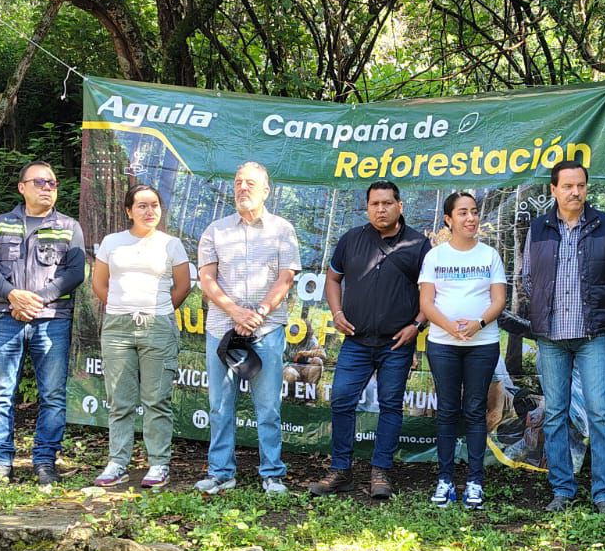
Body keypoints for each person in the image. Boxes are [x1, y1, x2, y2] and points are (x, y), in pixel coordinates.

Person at [308, 181, 429, 500]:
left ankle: (381, 471)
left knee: (390, 405)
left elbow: (432, 293)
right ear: (367, 207)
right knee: (342, 400)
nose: (381, 209)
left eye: (387, 203)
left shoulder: (418, 245)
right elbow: (334, 279)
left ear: (399, 206)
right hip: (357, 341)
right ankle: (341, 470)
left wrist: (417, 325)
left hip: (397, 344)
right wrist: (335, 313)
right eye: (375, 204)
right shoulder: (351, 240)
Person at [520, 160, 605, 515]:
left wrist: (596, 311)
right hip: (551, 336)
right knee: (554, 413)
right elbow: (527, 279)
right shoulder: (539, 228)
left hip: (592, 334)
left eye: (580, 185)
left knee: (599, 412)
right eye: (567, 186)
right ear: (553, 190)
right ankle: (562, 490)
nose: (575, 192)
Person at [0, 160, 86, 489]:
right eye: (40, 182)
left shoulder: (69, 226)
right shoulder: (2, 223)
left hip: (51, 320)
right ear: (22, 187)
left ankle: (45, 462)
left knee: (52, 395)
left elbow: (75, 273)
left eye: (52, 183)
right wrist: (12, 296)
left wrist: (37, 299)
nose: (48, 187)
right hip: (4, 316)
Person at [195, 162, 301, 495]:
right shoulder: (215, 230)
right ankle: (221, 473)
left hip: (266, 330)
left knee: (268, 407)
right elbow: (207, 279)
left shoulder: (283, 229)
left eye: (251, 183)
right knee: (220, 406)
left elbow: (287, 277)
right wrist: (234, 311)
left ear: (266, 190)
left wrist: (261, 311)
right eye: (238, 182)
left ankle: (272, 474)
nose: (243, 188)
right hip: (221, 330)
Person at [89, 184, 192, 489]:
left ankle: (158, 464)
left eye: (154, 205)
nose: (149, 212)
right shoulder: (112, 242)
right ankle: (117, 463)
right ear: (128, 211)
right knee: (119, 399)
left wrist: (157, 311)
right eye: (142, 206)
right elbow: (99, 284)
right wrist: (123, 308)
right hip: (117, 327)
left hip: (157, 326)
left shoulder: (171, 244)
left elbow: (183, 287)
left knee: (156, 399)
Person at [418, 192, 507, 510]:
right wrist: (450, 326)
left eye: (474, 212)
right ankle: (444, 481)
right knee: (446, 410)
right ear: (448, 219)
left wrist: (478, 323)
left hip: (482, 345)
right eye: (462, 213)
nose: (470, 218)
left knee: (474, 410)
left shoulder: (490, 255)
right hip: (443, 345)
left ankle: (474, 483)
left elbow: (498, 300)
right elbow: (426, 303)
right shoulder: (436, 257)